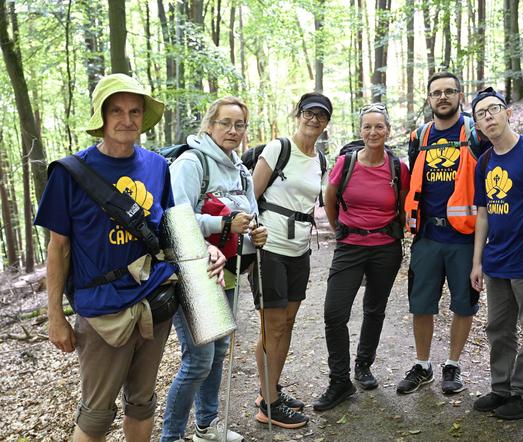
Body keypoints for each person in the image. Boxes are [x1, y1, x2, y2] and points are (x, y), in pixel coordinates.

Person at [34, 73, 226, 442]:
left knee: (142, 403)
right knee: (95, 415)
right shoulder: (69, 174)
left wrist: (207, 250)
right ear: (102, 118)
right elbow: (58, 247)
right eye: (117, 111)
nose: (127, 120)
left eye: (135, 111)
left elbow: (171, 226)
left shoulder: (157, 166)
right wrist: (56, 316)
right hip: (102, 309)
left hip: (155, 303)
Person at [161, 97, 267, 442]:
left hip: (231, 268)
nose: (233, 131)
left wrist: (256, 231)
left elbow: (248, 214)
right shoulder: (192, 164)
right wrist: (222, 223)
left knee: (219, 351)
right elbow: (173, 220)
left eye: (240, 125)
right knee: (199, 359)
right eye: (226, 123)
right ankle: (172, 436)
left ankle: (206, 426)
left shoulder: (240, 168)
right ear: (209, 125)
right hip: (196, 271)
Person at [312, 104, 410, 411]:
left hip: (386, 248)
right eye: (367, 127)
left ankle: (363, 365)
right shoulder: (347, 162)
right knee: (334, 313)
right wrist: (339, 228)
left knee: (374, 308)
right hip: (350, 246)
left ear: (388, 130)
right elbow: (330, 197)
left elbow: (406, 204)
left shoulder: (398, 168)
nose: (373, 132)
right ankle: (339, 380)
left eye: (378, 127)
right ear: (360, 131)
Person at [398, 71, 488, 396]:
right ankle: (423, 365)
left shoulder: (477, 134)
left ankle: (453, 364)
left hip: (464, 239)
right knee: (421, 304)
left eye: (450, 91)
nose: (443, 97)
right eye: (437, 93)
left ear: (460, 96)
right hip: (426, 237)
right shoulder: (418, 137)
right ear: (429, 98)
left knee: (464, 305)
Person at [251, 92, 332, 429]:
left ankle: (269, 390)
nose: (314, 120)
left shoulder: (321, 160)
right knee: (272, 327)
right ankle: (268, 405)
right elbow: (251, 196)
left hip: (300, 251)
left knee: (287, 324)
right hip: (270, 247)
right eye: (309, 113)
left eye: (321, 116)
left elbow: (319, 202)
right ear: (298, 114)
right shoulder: (278, 148)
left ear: (327, 123)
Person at [469, 87, 523, 420]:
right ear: (477, 125)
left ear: (508, 113)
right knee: (498, 329)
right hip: (496, 261)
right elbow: (483, 214)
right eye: (480, 114)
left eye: (493, 110)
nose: (488, 117)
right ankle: (501, 388)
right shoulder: (484, 162)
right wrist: (477, 261)